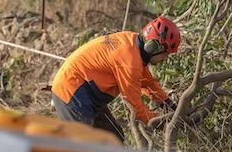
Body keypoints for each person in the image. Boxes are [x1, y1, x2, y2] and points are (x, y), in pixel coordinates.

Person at [51, 16, 180, 142]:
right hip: (72, 91)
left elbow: (148, 83)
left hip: (88, 94)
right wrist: (162, 122)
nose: (165, 59)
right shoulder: (130, 61)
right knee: (83, 147)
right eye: (165, 54)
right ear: (153, 47)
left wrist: (171, 105)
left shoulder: (134, 43)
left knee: (114, 139)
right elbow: (135, 107)